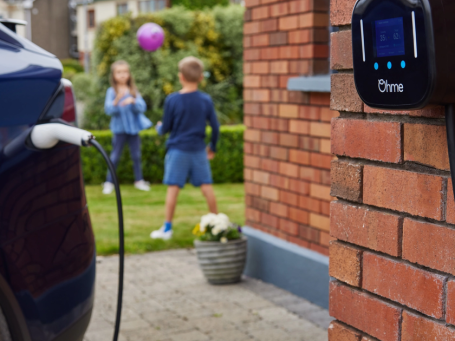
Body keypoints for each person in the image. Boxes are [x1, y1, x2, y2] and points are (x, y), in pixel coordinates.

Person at [150, 56, 220, 240]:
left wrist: (158, 128)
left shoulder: (172, 100)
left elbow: (165, 128)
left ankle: (167, 228)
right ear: (200, 78)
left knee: (173, 189)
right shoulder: (205, 100)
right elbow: (216, 127)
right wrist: (212, 147)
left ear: (181, 77)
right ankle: (218, 224)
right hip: (198, 150)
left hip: (178, 150)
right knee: (207, 187)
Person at [102, 60, 152, 194]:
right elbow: (108, 110)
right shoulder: (111, 91)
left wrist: (133, 101)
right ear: (113, 75)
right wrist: (117, 100)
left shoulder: (133, 90)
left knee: (136, 156)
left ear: (129, 74)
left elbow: (142, 107)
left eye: (125, 72)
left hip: (133, 130)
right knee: (115, 157)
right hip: (119, 130)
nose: (122, 75)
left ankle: (139, 181)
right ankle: (109, 182)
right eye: (119, 72)